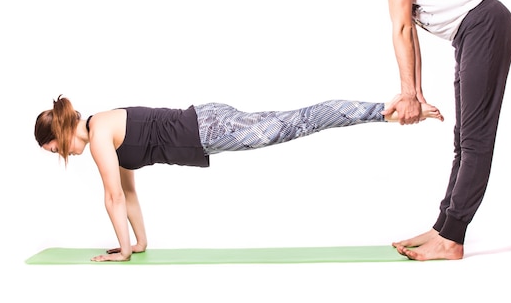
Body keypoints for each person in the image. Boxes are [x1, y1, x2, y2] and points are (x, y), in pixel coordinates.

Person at [324, 0, 511, 261]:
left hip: (484, 24)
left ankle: (452, 238)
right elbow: (408, 31)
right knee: (463, 139)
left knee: (475, 140)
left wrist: (410, 94)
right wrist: (414, 92)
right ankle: (444, 227)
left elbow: (400, 29)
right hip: (472, 32)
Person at [35, 95, 443, 262]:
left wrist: (121, 251)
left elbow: (112, 199)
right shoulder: (104, 129)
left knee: (297, 123)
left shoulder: (101, 133)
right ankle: (389, 109)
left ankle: (390, 109)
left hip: (211, 131)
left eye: (54, 149)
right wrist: (138, 244)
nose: (61, 156)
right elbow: (128, 192)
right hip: (209, 122)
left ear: (62, 132)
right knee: (295, 121)